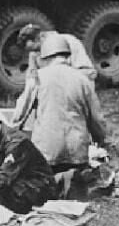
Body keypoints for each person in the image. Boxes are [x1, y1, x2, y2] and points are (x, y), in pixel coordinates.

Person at [27, 35, 108, 176]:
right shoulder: (83, 80)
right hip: (76, 153)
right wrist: (99, 140)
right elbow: (96, 119)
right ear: (68, 57)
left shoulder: (38, 78)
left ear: (45, 57)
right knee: (74, 189)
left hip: (47, 153)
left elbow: (20, 115)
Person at [0, 104, 56, 214]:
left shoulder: (16, 141)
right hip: (20, 186)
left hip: (39, 188)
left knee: (0, 193)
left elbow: (4, 177)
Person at [13, 25, 96, 129]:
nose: (36, 52)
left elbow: (88, 74)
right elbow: (31, 86)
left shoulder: (69, 41)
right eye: (31, 51)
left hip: (75, 91)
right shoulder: (34, 54)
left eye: (36, 48)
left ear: (40, 37)